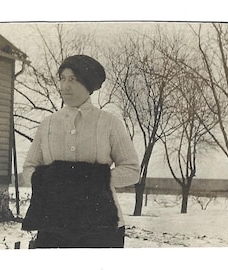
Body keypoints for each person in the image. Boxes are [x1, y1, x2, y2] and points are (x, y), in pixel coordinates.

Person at [21, 54, 140, 248]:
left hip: (101, 225)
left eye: (73, 79)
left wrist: (94, 181)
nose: (65, 86)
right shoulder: (48, 124)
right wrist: (48, 180)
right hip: (54, 225)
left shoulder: (109, 123)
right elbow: (29, 168)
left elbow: (132, 170)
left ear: (88, 84)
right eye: (63, 79)